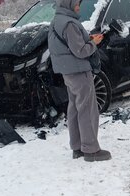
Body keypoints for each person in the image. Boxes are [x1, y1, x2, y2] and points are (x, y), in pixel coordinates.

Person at [48, 0, 111, 162]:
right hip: (79, 71)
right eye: (76, 3)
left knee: (75, 108)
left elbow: (66, 47)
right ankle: (91, 150)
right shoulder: (70, 23)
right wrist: (93, 43)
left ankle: (77, 147)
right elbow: (80, 51)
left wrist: (87, 39)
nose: (78, 6)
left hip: (67, 72)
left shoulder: (57, 21)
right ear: (68, 4)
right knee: (88, 109)